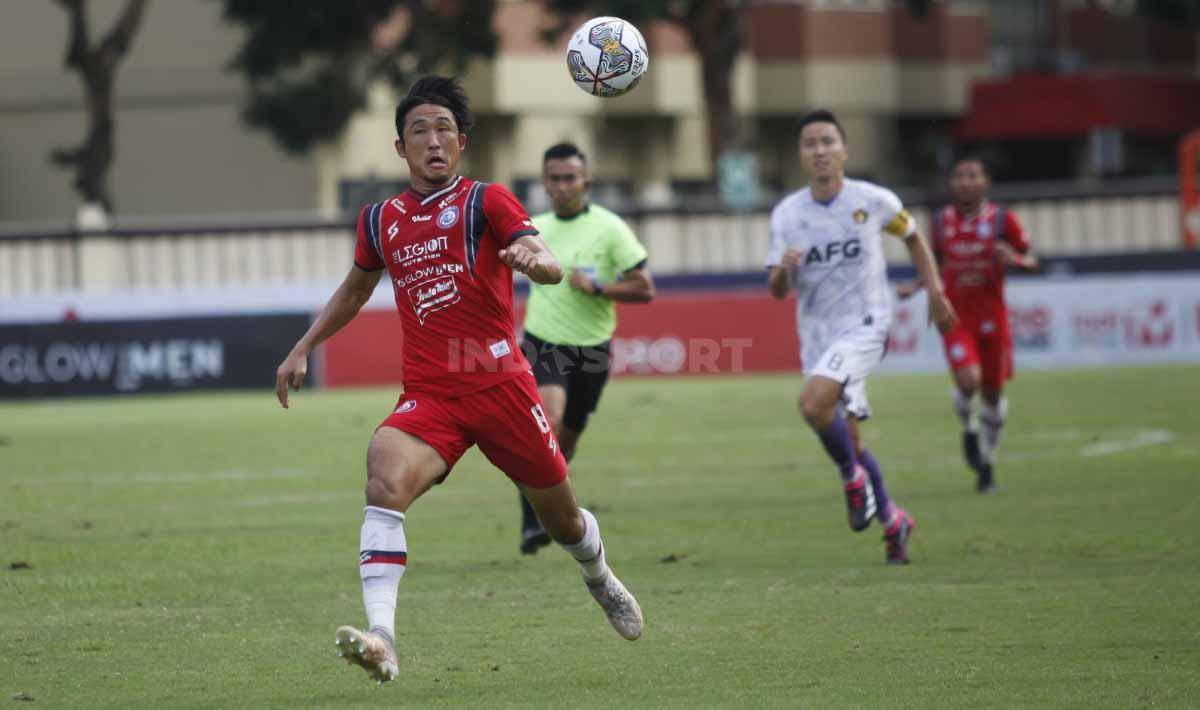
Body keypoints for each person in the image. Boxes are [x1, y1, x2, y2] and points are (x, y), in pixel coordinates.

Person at [273, 76, 643, 685]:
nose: (433, 141)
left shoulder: (486, 201)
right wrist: (304, 345)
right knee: (383, 477)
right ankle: (383, 639)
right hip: (431, 396)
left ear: (462, 142)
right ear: (400, 148)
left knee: (563, 522)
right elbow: (358, 288)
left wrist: (538, 264)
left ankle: (599, 576)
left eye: (444, 128)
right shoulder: (380, 220)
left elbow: (544, 258)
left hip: (501, 387)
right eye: (419, 131)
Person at [766, 109, 957, 565]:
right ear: (800, 155)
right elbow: (776, 289)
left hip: (867, 325)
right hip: (817, 336)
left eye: (827, 141)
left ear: (844, 150)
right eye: (810, 144)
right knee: (850, 439)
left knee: (812, 404)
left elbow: (913, 236)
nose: (820, 151)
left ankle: (852, 480)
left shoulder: (872, 200)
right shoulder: (788, 214)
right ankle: (893, 521)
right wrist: (784, 269)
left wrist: (935, 291)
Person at [515, 142, 655, 555]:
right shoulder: (532, 229)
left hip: (593, 350)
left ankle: (544, 503)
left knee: (566, 443)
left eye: (569, 178)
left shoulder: (610, 228)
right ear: (544, 183)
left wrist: (598, 287)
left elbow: (645, 288)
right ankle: (532, 521)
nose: (562, 186)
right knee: (547, 425)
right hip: (543, 343)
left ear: (586, 181)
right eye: (554, 179)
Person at [897, 156, 1037, 492]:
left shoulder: (1002, 219)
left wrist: (1015, 259)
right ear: (951, 183)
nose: (965, 182)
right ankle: (969, 428)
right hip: (954, 317)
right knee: (968, 379)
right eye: (959, 176)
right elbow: (936, 266)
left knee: (993, 395)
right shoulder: (941, 221)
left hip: (993, 319)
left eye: (972, 175)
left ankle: (987, 460)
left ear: (985, 181)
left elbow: (1032, 260)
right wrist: (915, 286)